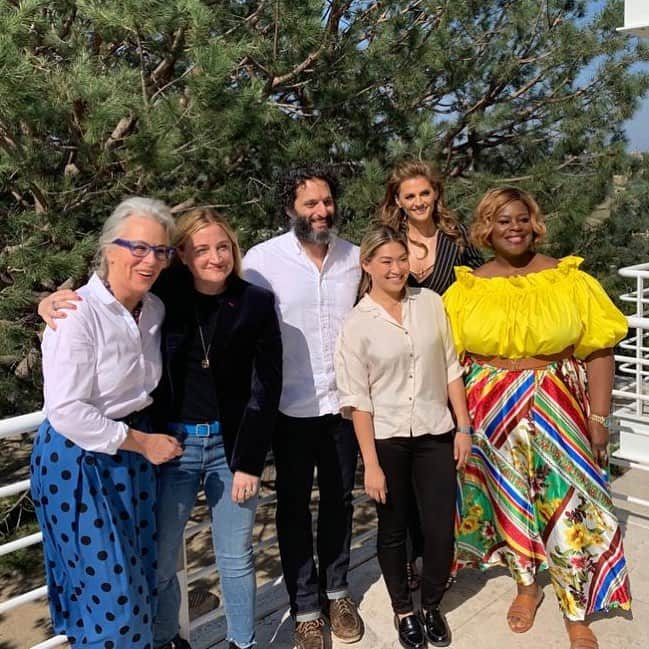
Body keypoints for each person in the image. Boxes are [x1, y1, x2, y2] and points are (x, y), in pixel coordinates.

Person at [38, 208, 283, 649]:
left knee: (236, 557)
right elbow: (106, 290)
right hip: (171, 445)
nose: (214, 257)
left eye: (222, 247)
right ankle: (168, 639)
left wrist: (249, 462)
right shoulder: (163, 295)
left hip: (232, 450)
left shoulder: (254, 303)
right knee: (161, 559)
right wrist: (50, 303)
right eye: (201, 249)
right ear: (184, 256)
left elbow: (265, 389)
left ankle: (243, 643)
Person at [443, 187, 632, 649]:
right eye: (503, 220)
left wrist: (599, 418)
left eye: (521, 218)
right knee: (511, 501)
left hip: (557, 397)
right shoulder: (467, 287)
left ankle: (577, 610)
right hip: (489, 406)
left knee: (571, 502)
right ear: (487, 227)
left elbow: (600, 348)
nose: (514, 227)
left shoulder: (569, 280)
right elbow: (446, 359)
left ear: (535, 223)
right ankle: (527, 586)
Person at [31, 197, 183, 649]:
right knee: (111, 606)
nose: (150, 259)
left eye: (161, 251)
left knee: (138, 586)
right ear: (109, 248)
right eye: (138, 247)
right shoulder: (76, 314)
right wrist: (143, 443)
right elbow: (67, 410)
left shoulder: (154, 309)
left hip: (130, 464)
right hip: (80, 464)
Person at [242, 164, 364, 649]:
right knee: (293, 508)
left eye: (327, 202)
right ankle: (306, 609)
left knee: (339, 502)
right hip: (288, 409)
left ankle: (337, 592)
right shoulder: (261, 260)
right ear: (290, 208)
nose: (321, 211)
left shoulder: (356, 258)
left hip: (344, 406)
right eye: (310, 203)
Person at [335, 225, 472, 649]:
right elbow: (359, 401)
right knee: (393, 530)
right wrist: (370, 465)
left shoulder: (430, 303)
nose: (396, 269)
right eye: (386, 261)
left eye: (401, 259)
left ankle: (431, 603)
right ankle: (404, 611)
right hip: (388, 441)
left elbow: (451, 368)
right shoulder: (357, 323)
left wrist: (464, 426)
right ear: (367, 265)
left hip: (436, 433)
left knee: (439, 531)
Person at [378, 159, 483, 588]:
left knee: (438, 472)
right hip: (397, 372)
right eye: (409, 196)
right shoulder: (389, 244)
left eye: (424, 193)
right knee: (401, 472)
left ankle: (439, 560)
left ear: (435, 194)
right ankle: (409, 561)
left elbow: (484, 290)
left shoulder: (458, 242)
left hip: (446, 366)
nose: (418, 202)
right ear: (398, 202)